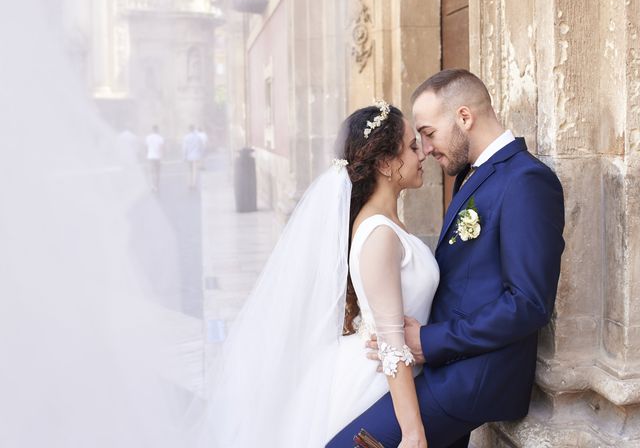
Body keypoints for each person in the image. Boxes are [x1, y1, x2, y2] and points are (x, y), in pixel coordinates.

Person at [327, 69, 565, 447]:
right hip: (437, 366)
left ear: (464, 117)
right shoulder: (468, 174)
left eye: (428, 133)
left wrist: (428, 340)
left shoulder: (525, 180)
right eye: (416, 140)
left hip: (472, 375)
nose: (425, 148)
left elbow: (529, 302)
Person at [207, 101, 438, 447]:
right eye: (412, 146)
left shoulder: (386, 224)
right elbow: (391, 347)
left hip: (395, 373)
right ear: (387, 164)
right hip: (374, 383)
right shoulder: (379, 234)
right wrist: (412, 433)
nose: (423, 154)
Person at [183, 125, 205, 189]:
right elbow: (201, 146)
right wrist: (201, 154)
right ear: (194, 129)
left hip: (189, 156)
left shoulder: (186, 137)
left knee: (189, 170)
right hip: (196, 155)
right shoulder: (198, 137)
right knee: (195, 170)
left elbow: (184, 148)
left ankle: (189, 184)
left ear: (189, 129)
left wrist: (184, 156)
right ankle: (194, 184)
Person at [145, 125, 164, 192]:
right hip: (157, 157)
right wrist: (161, 158)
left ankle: (152, 185)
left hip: (150, 156)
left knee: (151, 172)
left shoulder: (148, 137)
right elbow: (161, 149)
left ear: (152, 130)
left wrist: (146, 154)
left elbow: (146, 147)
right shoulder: (160, 138)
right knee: (157, 172)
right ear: (157, 130)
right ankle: (157, 186)